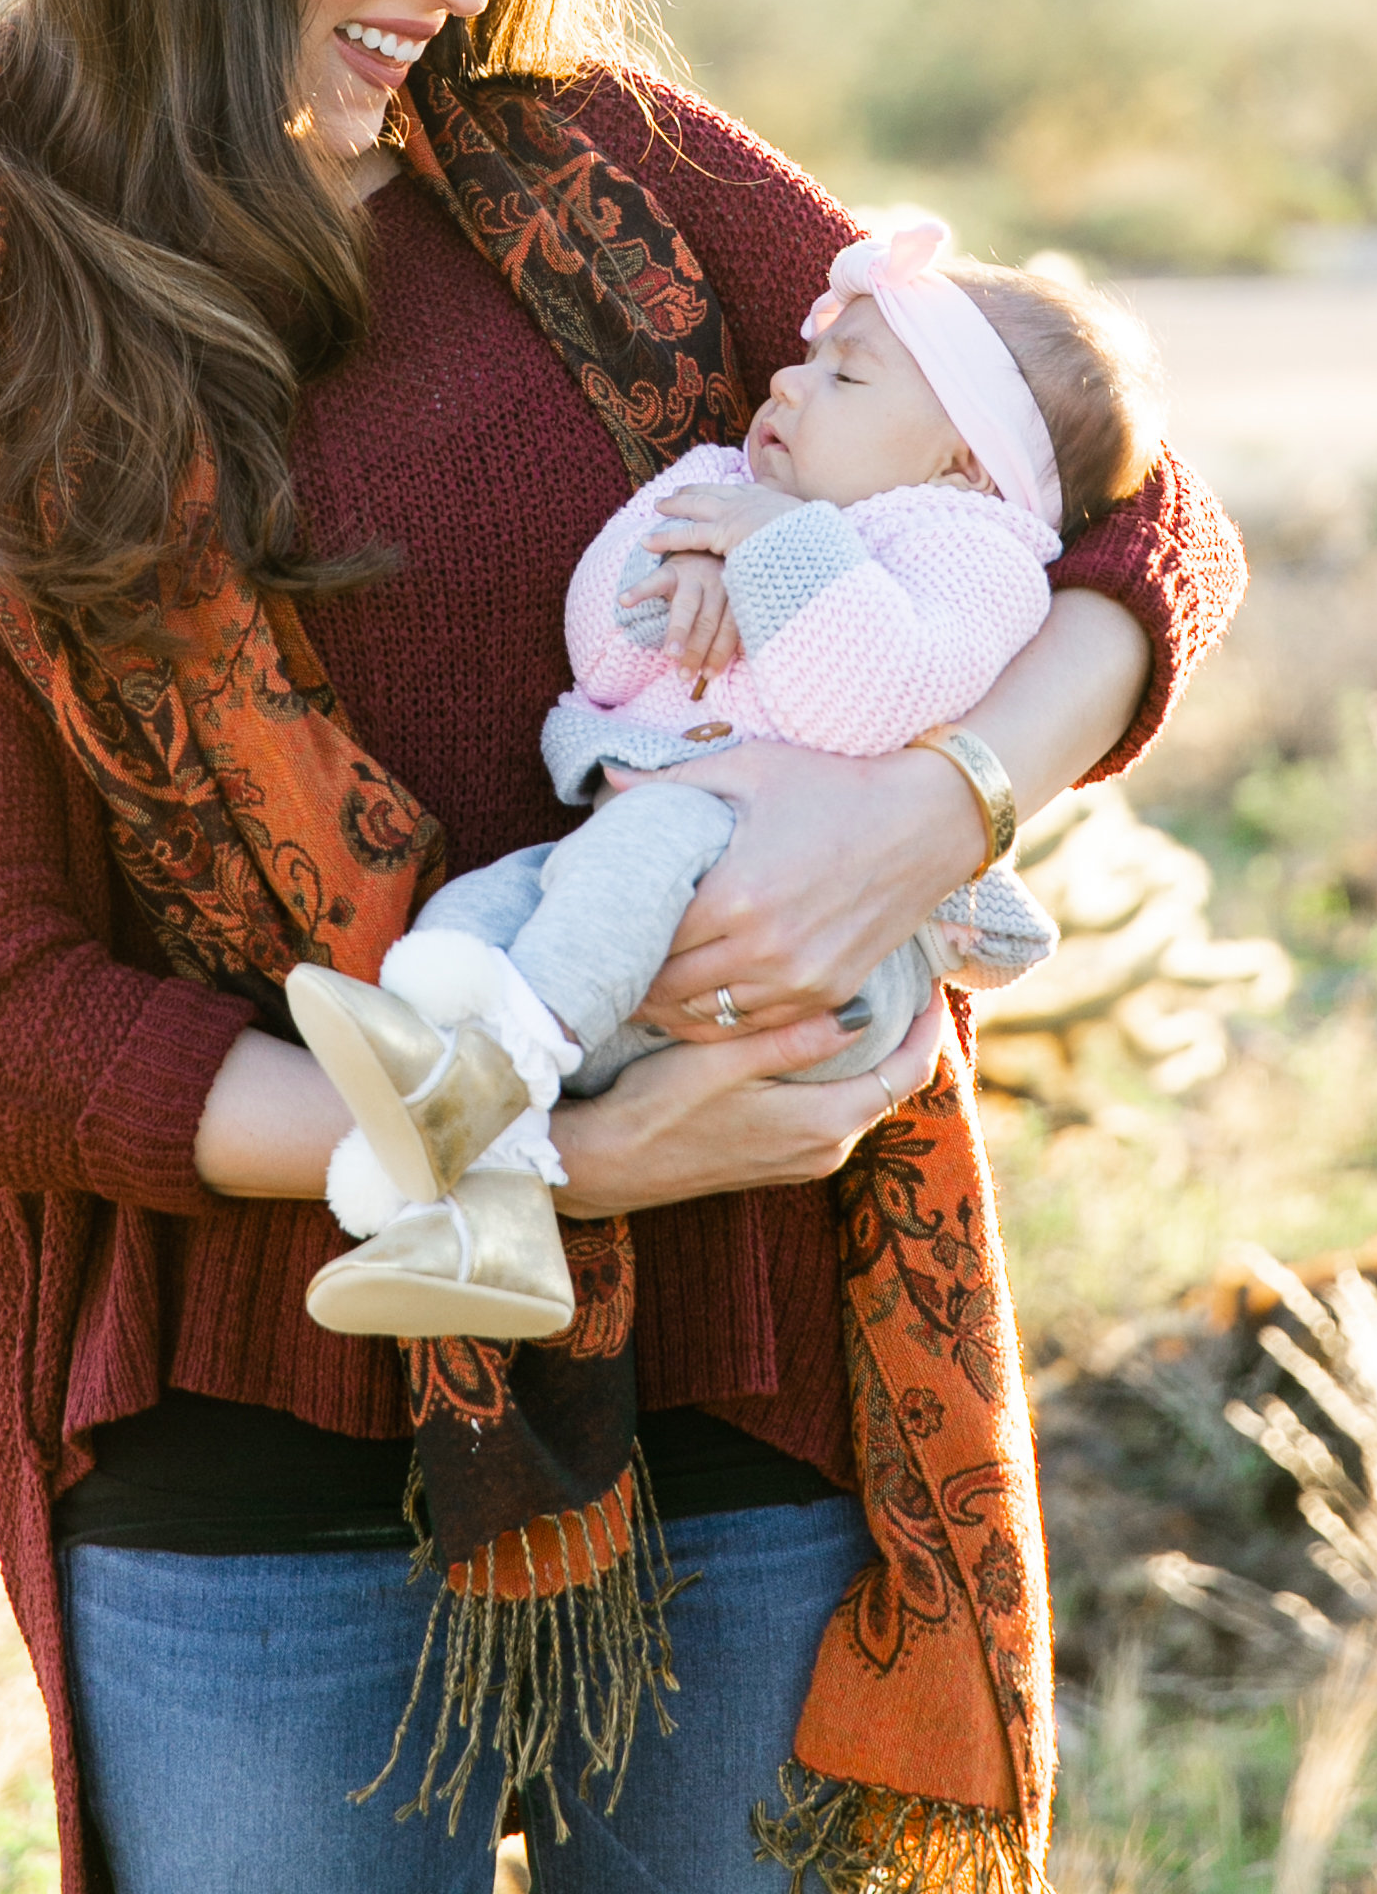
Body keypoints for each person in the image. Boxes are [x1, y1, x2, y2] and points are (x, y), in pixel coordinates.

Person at [0, 0, 1247, 1894]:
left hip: (752, 1391)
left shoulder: (622, 190)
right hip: (260, 1449)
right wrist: (525, 1164)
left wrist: (946, 801)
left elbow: (1127, 491)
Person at [291, 220, 1162, 1345]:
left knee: (628, 852)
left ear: (969, 461)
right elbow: (601, 657)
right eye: (806, 358)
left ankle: (492, 1075)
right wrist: (675, 560)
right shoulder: (734, 492)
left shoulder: (969, 550)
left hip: (819, 956)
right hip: (644, 875)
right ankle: (493, 1215)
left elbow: (873, 697)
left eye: (846, 373)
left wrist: (775, 542)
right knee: (463, 922)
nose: (790, 382)